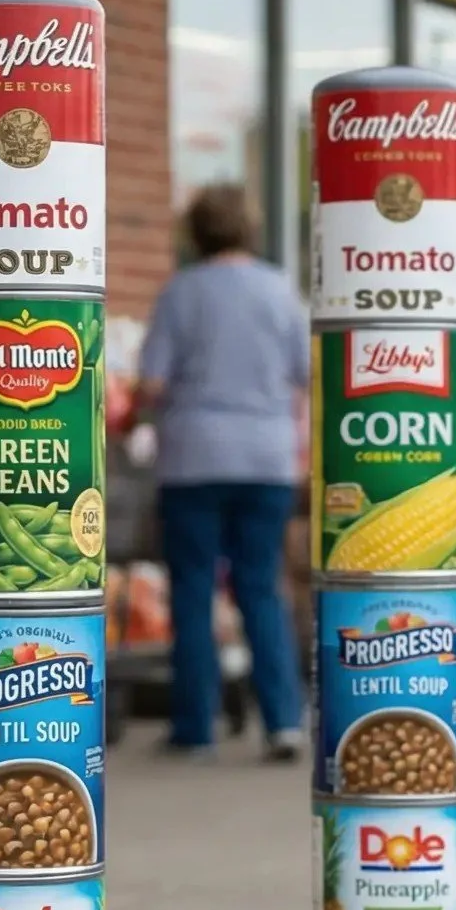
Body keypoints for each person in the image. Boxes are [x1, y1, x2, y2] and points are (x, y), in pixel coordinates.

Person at [137, 185, 309, 760]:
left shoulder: (180, 294)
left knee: (192, 588)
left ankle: (196, 725)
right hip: (266, 456)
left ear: (197, 233)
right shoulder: (279, 291)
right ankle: (283, 721)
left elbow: (153, 385)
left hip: (194, 457)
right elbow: (307, 373)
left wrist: (135, 413)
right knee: (262, 586)